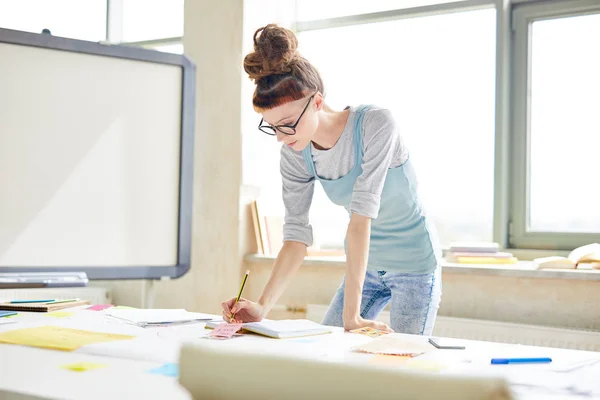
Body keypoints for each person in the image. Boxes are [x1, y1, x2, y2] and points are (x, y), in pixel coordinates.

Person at [221, 24, 442, 335]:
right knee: (330, 352)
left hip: (415, 265)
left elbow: (361, 217)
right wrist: (261, 307)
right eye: (272, 127)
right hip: (363, 268)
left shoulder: (376, 124)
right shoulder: (296, 152)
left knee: (403, 359)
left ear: (317, 102)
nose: (281, 138)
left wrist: (352, 317)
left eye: (287, 124)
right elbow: (296, 236)